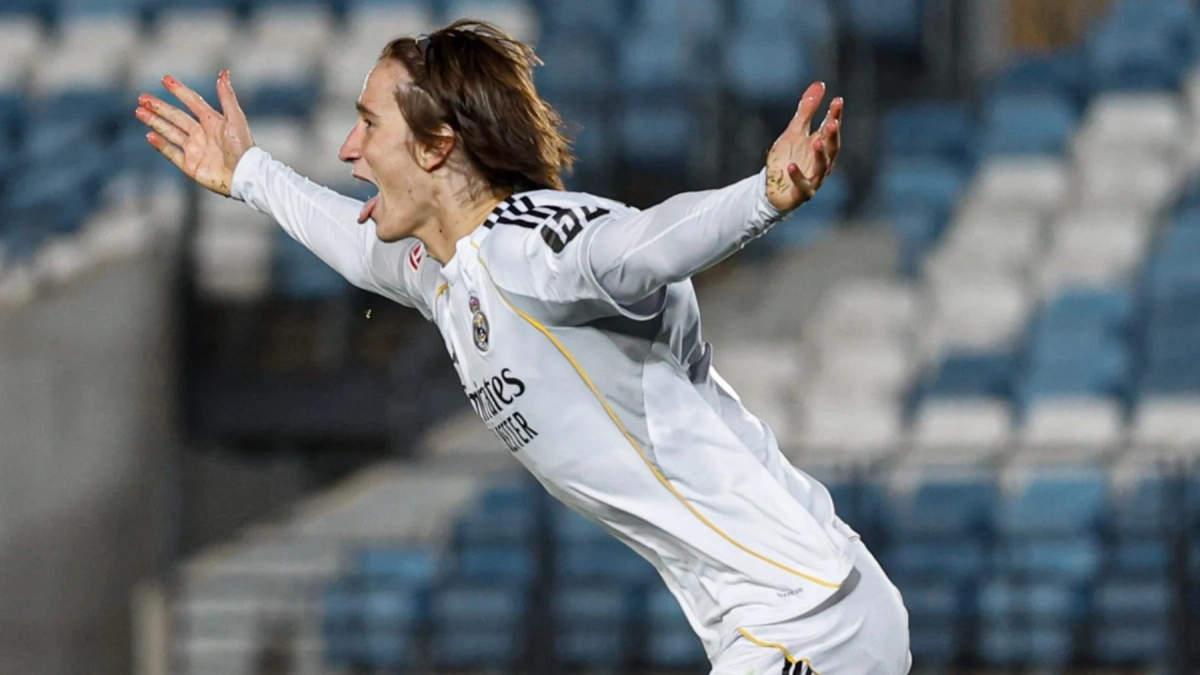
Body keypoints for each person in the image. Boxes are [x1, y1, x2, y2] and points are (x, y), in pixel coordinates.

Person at [134, 19, 910, 675]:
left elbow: (640, 245)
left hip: (810, 618)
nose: (348, 149)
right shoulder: (446, 274)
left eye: (370, 124)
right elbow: (347, 238)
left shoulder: (532, 248)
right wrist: (250, 172)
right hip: (766, 621)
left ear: (437, 146)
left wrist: (763, 198)